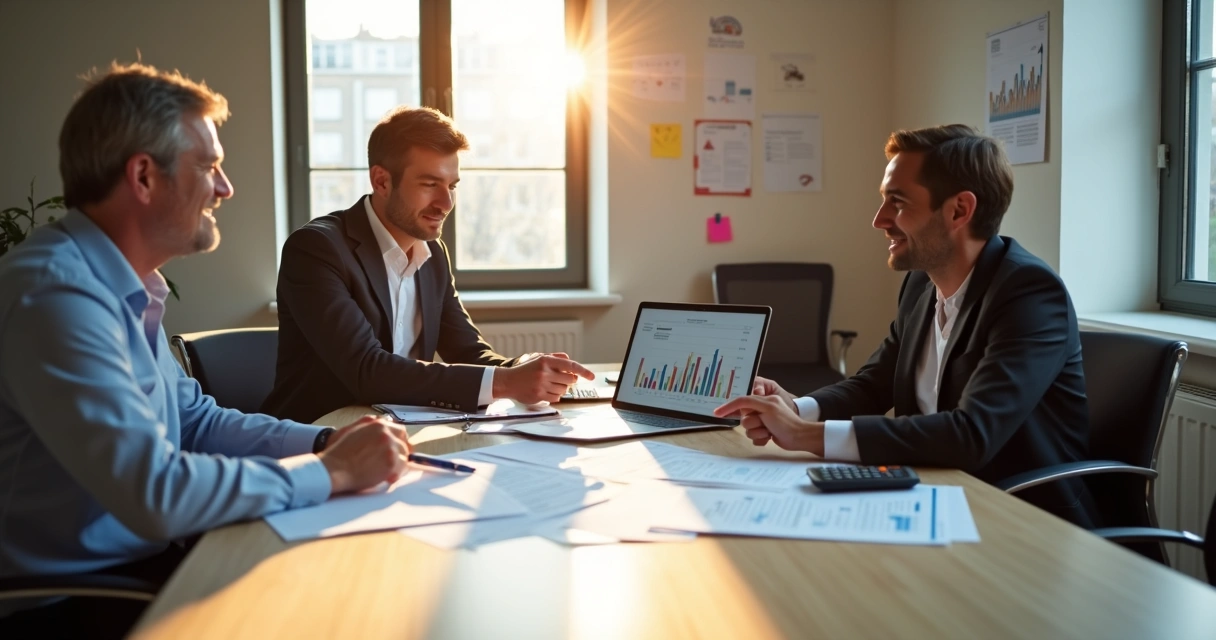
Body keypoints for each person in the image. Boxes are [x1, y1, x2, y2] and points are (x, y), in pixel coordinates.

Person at [0, 63, 411, 638]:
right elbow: (156, 492)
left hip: (149, 559)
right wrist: (330, 471)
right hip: (80, 597)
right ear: (143, 177)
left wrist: (323, 440)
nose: (225, 187)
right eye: (209, 167)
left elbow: (193, 421)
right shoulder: (56, 296)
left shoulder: (120, 283)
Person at [715, 124, 1098, 528]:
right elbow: (874, 385)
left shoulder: (1029, 293)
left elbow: (971, 434)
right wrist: (797, 409)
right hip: (935, 497)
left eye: (897, 202)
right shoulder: (920, 283)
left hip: (1021, 519)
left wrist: (806, 435)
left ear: (959, 210)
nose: (880, 220)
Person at [261, 106, 594, 424]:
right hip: (315, 438)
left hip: (398, 430)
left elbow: (469, 352)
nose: (446, 203)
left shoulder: (433, 255)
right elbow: (366, 370)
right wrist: (505, 381)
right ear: (381, 181)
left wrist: (524, 367)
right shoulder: (316, 249)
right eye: (430, 184)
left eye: (451, 186)